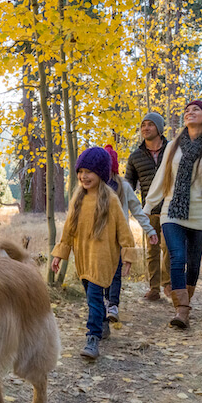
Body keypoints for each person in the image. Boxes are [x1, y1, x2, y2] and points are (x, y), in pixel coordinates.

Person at [144, 100, 202, 329]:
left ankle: (185, 301)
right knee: (177, 257)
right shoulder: (173, 145)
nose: (190, 113)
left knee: (193, 264)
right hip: (171, 211)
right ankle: (181, 310)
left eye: (196, 110)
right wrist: (147, 207)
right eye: (187, 110)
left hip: (200, 213)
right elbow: (161, 177)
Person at [50, 147, 136, 361]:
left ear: (101, 173)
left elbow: (123, 230)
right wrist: (59, 254)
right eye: (81, 171)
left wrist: (128, 255)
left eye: (89, 171)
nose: (84, 176)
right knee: (93, 297)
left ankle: (92, 338)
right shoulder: (78, 199)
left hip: (103, 259)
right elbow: (68, 230)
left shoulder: (111, 200)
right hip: (83, 259)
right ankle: (103, 323)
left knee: (94, 299)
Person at [102, 144, 159, 324]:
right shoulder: (95, 187)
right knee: (102, 271)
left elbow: (137, 211)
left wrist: (150, 230)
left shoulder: (124, 187)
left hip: (119, 239)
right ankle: (104, 301)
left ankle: (112, 305)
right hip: (98, 239)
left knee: (115, 272)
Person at [124, 112, 171, 302]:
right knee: (152, 251)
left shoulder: (172, 151)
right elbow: (128, 184)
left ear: (159, 128)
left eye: (150, 124)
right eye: (143, 125)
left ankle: (168, 284)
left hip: (172, 209)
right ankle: (154, 289)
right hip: (149, 211)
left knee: (169, 248)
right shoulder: (135, 156)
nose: (145, 128)